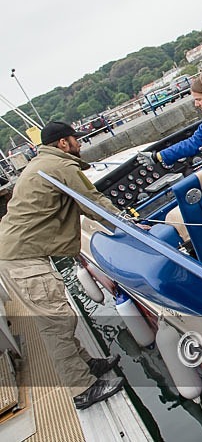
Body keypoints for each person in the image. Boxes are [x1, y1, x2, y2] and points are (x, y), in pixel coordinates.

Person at [0, 121, 126, 410]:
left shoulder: (41, 163)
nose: (80, 144)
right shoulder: (62, 166)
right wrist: (130, 226)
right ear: (63, 143)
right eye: (75, 139)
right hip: (24, 261)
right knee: (56, 324)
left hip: (17, 255)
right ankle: (82, 388)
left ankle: (86, 364)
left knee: (59, 319)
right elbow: (93, 203)